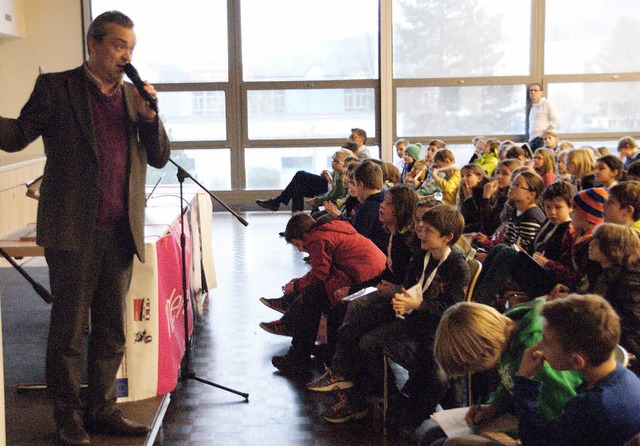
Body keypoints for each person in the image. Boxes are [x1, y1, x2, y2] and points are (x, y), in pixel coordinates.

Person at [0, 11, 171, 444]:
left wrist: (152, 119)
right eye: (118, 45)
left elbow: (159, 157)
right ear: (93, 44)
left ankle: (102, 409)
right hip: (73, 230)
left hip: (119, 229)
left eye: (131, 47)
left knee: (112, 330)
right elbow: (18, 135)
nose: (125, 55)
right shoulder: (57, 87)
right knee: (69, 330)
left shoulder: (134, 97)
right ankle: (68, 418)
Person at [309, 204, 469, 433]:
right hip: (411, 317)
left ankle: (413, 415)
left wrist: (416, 304)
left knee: (437, 376)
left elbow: (454, 308)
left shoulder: (457, 266)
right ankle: (380, 392)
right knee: (360, 335)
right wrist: (402, 298)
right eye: (420, 227)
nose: (420, 233)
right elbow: (409, 286)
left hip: (437, 327)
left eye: (427, 231)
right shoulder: (419, 257)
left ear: (447, 237)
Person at [425, 299, 582, 446]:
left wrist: (504, 434)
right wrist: (494, 407)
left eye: (471, 367)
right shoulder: (504, 335)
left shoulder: (537, 355)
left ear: (485, 350)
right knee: (432, 436)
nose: (472, 373)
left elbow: (558, 417)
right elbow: (511, 382)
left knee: (446, 443)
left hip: (548, 432)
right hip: (525, 416)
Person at [260, 213, 386, 373]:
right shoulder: (329, 231)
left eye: (298, 244)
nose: (300, 250)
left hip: (366, 282)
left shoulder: (317, 239)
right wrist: (299, 283)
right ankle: (324, 349)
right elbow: (326, 271)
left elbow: (321, 274)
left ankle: (298, 357)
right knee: (318, 296)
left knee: (310, 298)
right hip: (366, 276)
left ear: (305, 235)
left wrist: (297, 285)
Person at [513, 294, 640, 446]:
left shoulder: (591, 407)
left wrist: (524, 381)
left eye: (546, 342)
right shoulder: (629, 378)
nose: (539, 344)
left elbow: (536, 440)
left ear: (576, 361)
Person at [588, 224, 640, 374]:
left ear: (611, 249)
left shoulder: (627, 282)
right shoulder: (607, 274)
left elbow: (630, 328)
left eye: (596, 243)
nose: (590, 244)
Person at [255, 146, 354, 213]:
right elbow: (334, 180)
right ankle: (296, 222)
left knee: (300, 174)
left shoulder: (343, 178)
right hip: (327, 185)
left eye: (336, 162)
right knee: (297, 188)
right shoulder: (337, 173)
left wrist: (330, 182)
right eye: (333, 160)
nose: (333, 163)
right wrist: (329, 174)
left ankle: (276, 201)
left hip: (327, 189)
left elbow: (336, 192)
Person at [351, 160, 388, 252]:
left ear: (361, 185)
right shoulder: (388, 201)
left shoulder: (365, 209)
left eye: (355, 184)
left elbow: (357, 244)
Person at [527, 83, 560, 150]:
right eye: (531, 90)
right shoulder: (533, 106)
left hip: (541, 139)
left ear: (541, 92)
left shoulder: (547, 104)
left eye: (536, 90)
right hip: (532, 139)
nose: (533, 92)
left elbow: (556, 121)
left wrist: (544, 135)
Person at [458, 164, 490, 233]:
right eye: (462, 176)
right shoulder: (464, 192)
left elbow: (476, 219)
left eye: (468, 175)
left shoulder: (484, 193)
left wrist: (468, 197)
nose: (464, 179)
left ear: (479, 178)